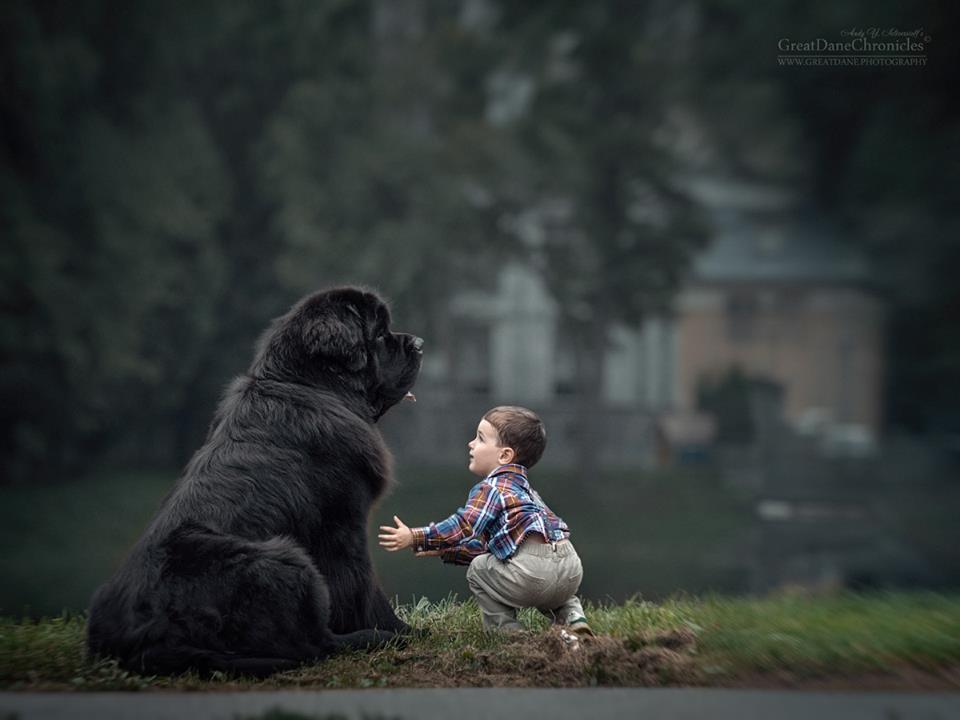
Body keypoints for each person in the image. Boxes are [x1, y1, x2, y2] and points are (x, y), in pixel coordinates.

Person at [379, 405, 593, 636]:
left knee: (479, 569)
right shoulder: (528, 492)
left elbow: (464, 526)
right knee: (555, 587)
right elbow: (494, 549)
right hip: (570, 567)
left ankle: (508, 631)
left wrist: (416, 536)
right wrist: (445, 549)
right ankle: (573, 618)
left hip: (533, 573)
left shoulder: (492, 488)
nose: (471, 444)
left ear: (504, 455)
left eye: (480, 439)